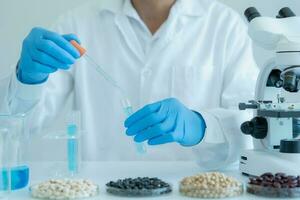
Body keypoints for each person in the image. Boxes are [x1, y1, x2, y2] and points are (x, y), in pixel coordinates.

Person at [0, 0, 258, 169]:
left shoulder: (225, 26)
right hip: (101, 191)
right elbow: (17, 127)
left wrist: (201, 126)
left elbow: (254, 131)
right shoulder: (77, 23)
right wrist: (28, 78)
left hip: (196, 191)